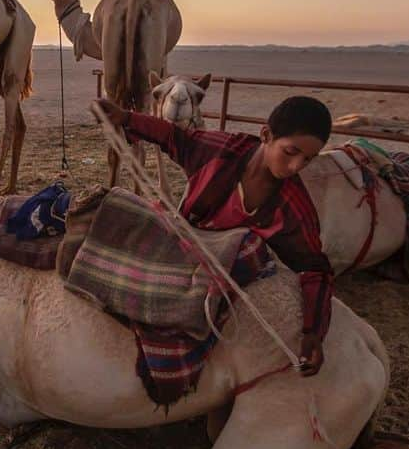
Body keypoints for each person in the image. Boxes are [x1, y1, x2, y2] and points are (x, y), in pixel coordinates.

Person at [96, 95, 334, 376]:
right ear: (266, 135)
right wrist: (126, 118)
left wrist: (313, 333)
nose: (296, 167)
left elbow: (315, 268)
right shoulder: (222, 152)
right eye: (290, 152)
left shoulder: (295, 208)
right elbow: (176, 137)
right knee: (112, 214)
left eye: (307, 159)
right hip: (183, 245)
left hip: (223, 272)